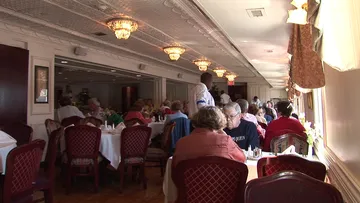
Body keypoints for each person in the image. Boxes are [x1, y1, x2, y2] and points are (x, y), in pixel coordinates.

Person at [172, 106, 246, 166]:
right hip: (220, 183)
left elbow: (175, 169)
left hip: (189, 183)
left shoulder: (181, 143)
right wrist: (225, 136)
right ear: (220, 122)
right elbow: (242, 159)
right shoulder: (225, 141)